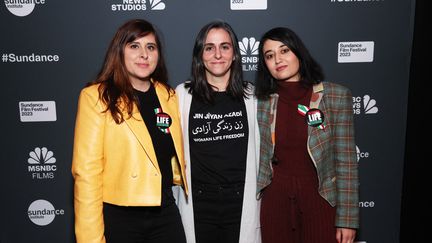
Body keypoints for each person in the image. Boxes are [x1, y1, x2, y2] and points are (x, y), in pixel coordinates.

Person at [71, 19, 188, 243]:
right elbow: (87, 175)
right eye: (134, 46)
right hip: (120, 217)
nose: (144, 54)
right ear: (119, 51)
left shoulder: (168, 96)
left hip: (165, 211)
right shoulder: (96, 98)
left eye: (150, 47)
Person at [255, 27, 359, 243]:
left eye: (284, 51)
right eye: (270, 55)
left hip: (319, 200)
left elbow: (347, 162)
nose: (277, 60)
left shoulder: (335, 96)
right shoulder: (262, 102)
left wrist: (347, 219)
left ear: (298, 52)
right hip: (276, 202)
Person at [173, 20, 261, 243]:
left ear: (235, 54)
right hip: (199, 203)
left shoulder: (253, 96)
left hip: (241, 203)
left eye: (225, 46)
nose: (217, 54)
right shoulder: (183, 94)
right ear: (200, 55)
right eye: (209, 48)